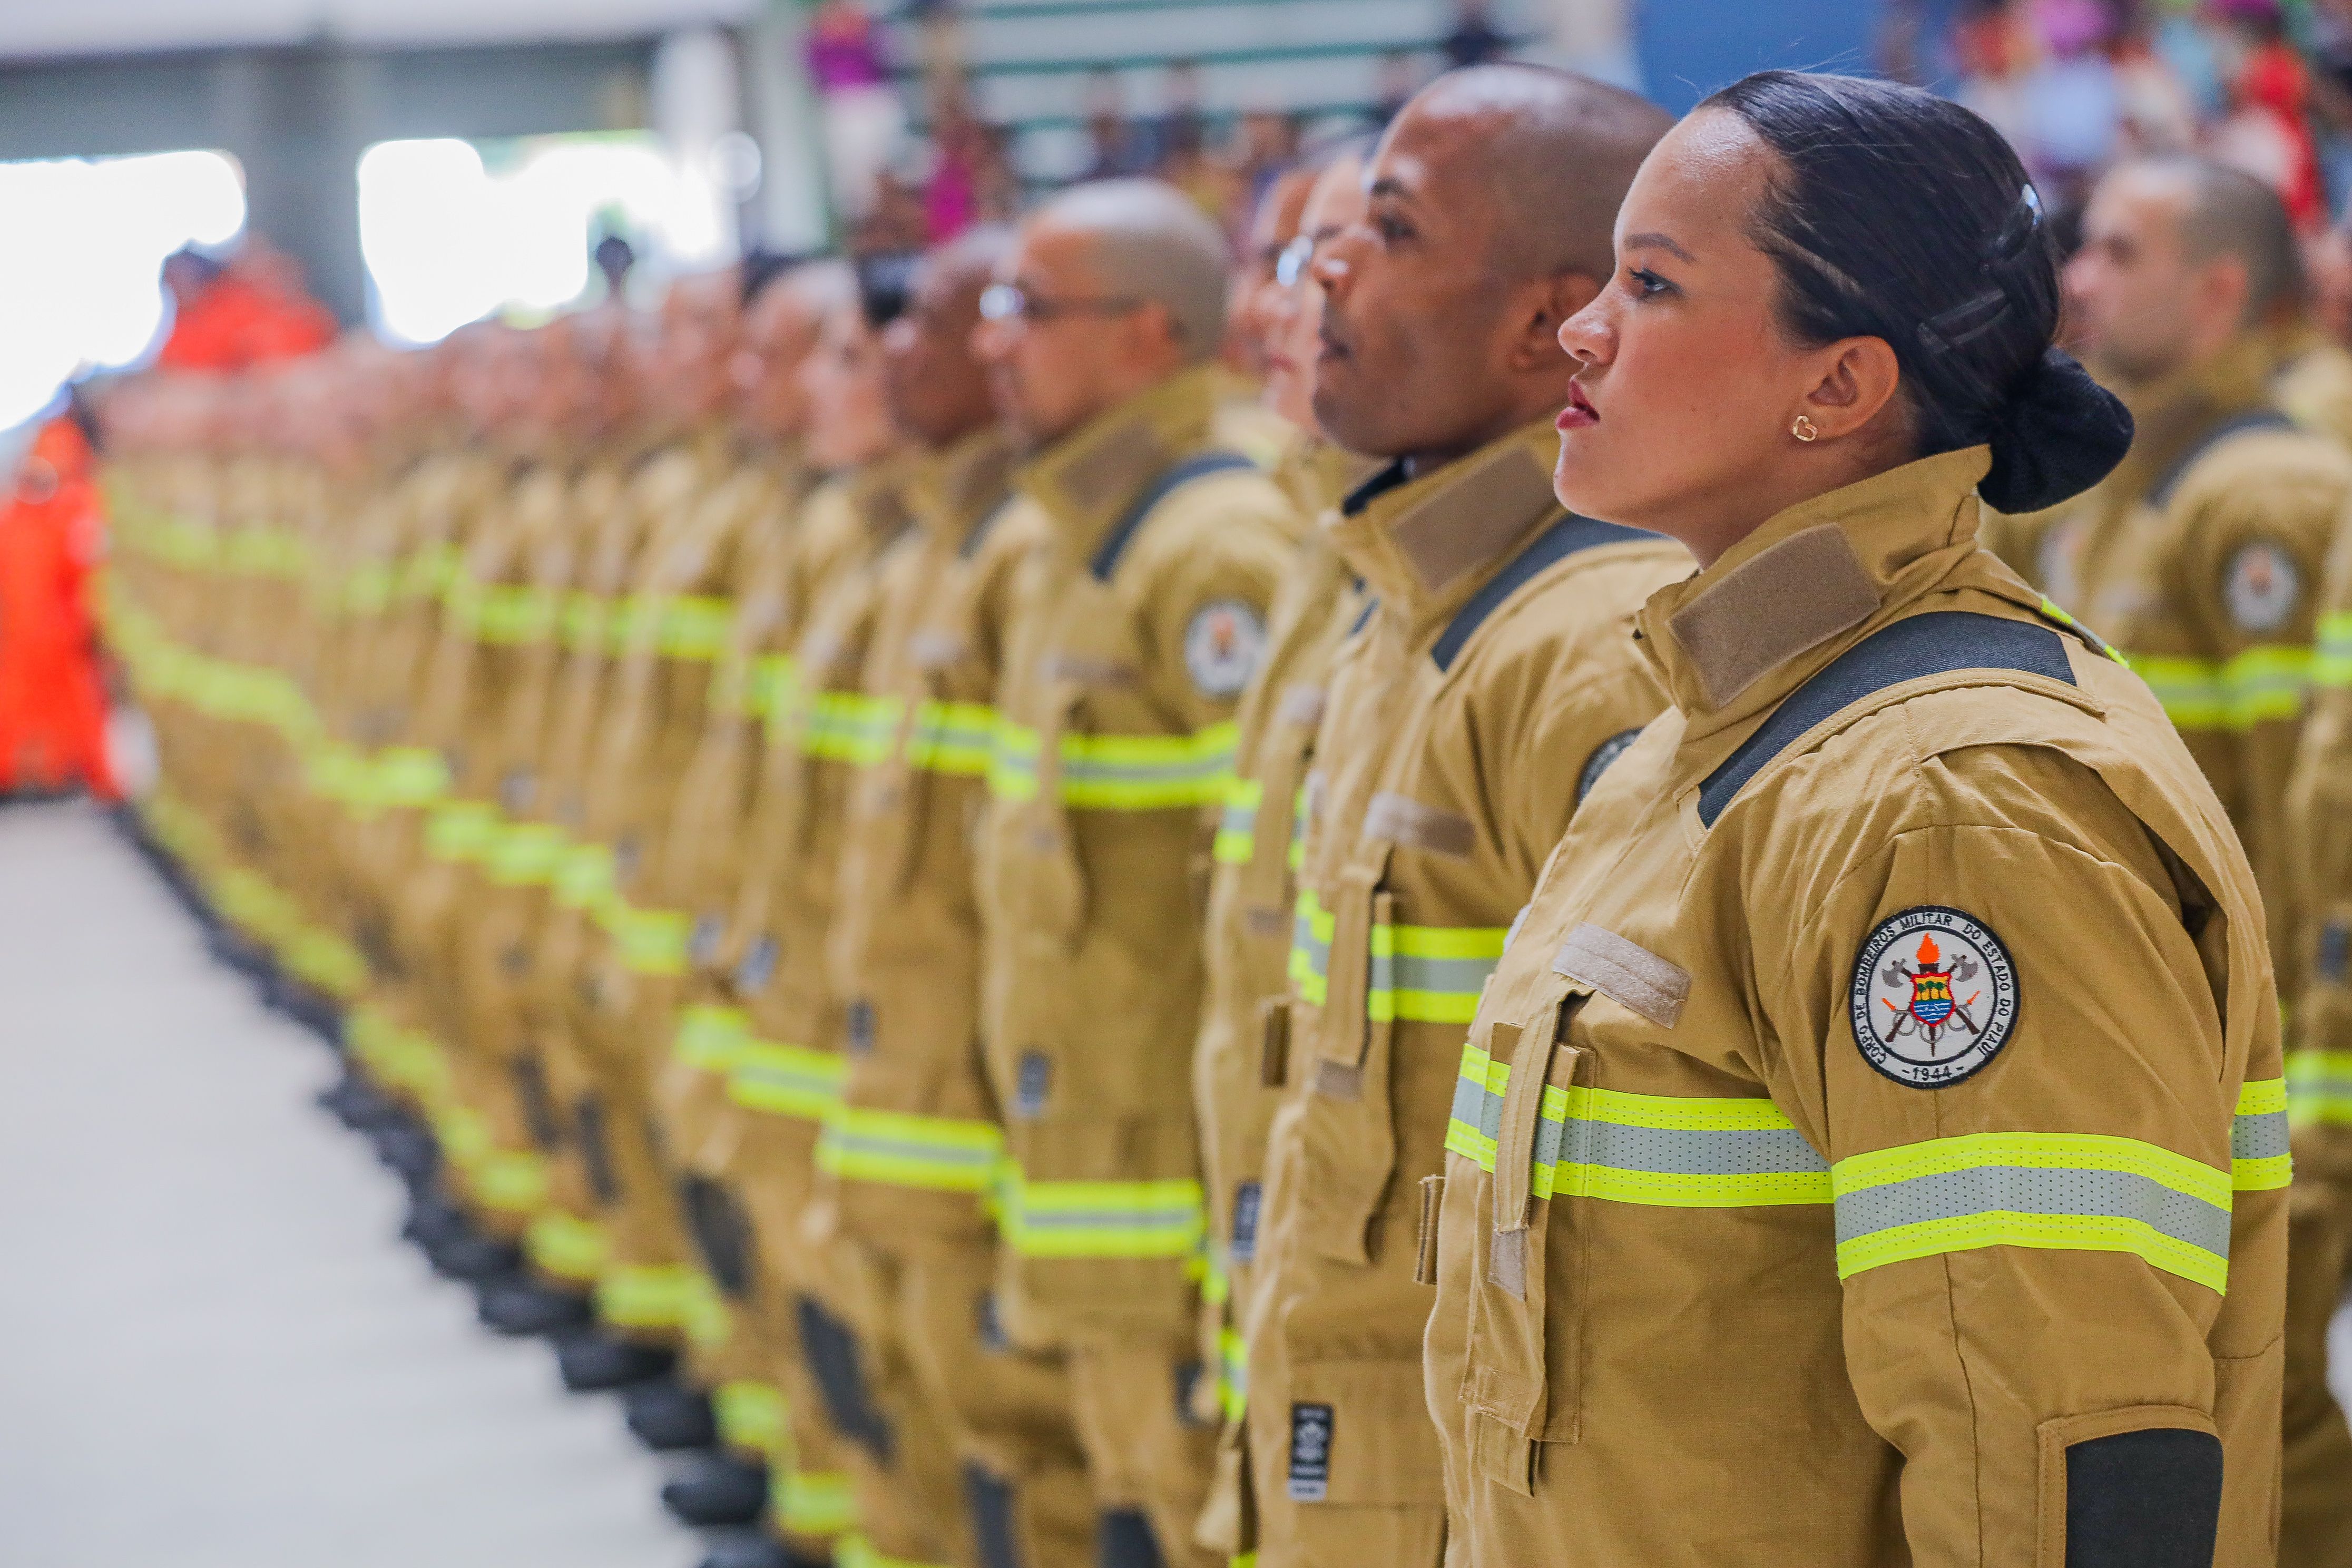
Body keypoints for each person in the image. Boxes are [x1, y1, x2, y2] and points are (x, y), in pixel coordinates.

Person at [1423, 71, 2286, 1566]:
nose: (1582, 329)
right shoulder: (1721, 735)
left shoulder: (1951, 803)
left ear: (1839, 387)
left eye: (1652, 283)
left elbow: (2051, 1470)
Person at [1232, 68, 1685, 1568]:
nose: (1325, 274)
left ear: (1547, 323)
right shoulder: (1422, 603)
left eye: (1390, 231)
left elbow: (1655, 1230)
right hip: (1351, 1428)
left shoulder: (1589, 647)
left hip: (1473, 1477)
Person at [971, 176, 1305, 1567]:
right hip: (1090, 1152)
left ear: (1146, 337)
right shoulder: (1072, 537)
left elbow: (1266, 919)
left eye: (1027, 310)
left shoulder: (1214, 552)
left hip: (1174, 1181)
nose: (999, 340)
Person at [817, 225, 1095, 1568]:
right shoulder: (945, 541)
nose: (894, 358)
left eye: (932, 322)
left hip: (1038, 1120)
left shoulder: (1047, 550)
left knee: (1056, 1460)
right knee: (943, 1407)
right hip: (923, 1071)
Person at [1996, 155, 2350, 938]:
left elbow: (2310, 828)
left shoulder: (2266, 494)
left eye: (2120, 253)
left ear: (2217, 291)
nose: (2080, 281)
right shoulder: (2120, 484)